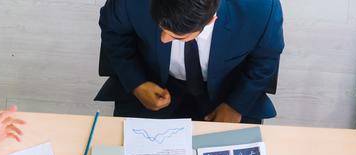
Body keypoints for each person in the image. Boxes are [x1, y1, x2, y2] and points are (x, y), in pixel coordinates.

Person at [97, 0, 284, 124]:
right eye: (162, 29)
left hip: (230, 91)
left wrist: (236, 105)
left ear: (211, 19)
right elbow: (114, 35)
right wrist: (136, 83)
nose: (163, 39)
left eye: (178, 36)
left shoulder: (260, 8)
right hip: (152, 79)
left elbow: (265, 59)